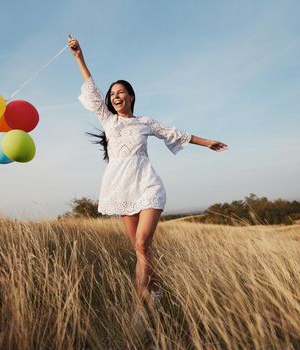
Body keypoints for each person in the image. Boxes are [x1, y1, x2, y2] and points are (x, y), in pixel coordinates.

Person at [68, 35, 228, 306]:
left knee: (142, 244)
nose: (115, 96)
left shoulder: (145, 122)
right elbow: (93, 92)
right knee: (141, 250)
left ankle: (139, 306)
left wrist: (207, 142)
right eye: (112, 94)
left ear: (130, 96)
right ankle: (154, 293)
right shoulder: (108, 120)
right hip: (121, 187)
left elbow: (175, 133)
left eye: (120, 92)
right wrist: (79, 57)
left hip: (147, 184)